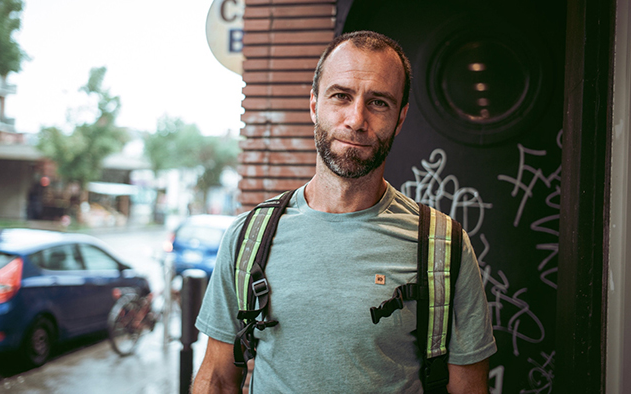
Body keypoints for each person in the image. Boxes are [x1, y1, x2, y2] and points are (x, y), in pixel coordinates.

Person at [192, 30, 497, 394]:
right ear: (313, 105)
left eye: (379, 102)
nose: (356, 119)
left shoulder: (444, 246)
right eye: (341, 96)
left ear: (400, 119)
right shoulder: (248, 237)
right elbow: (217, 380)